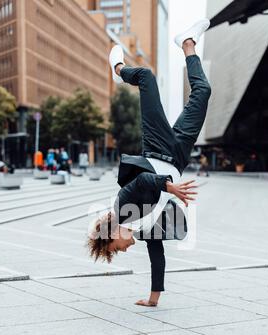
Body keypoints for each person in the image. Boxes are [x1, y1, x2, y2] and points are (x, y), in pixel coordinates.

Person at [88, 19, 211, 307]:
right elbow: (158, 257)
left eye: (115, 250)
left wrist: (170, 189)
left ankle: (119, 71)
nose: (123, 250)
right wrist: (153, 299)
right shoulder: (143, 229)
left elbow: (143, 181)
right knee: (203, 93)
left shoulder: (121, 207)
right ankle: (188, 44)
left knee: (145, 76)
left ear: (111, 236)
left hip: (157, 149)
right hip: (178, 156)